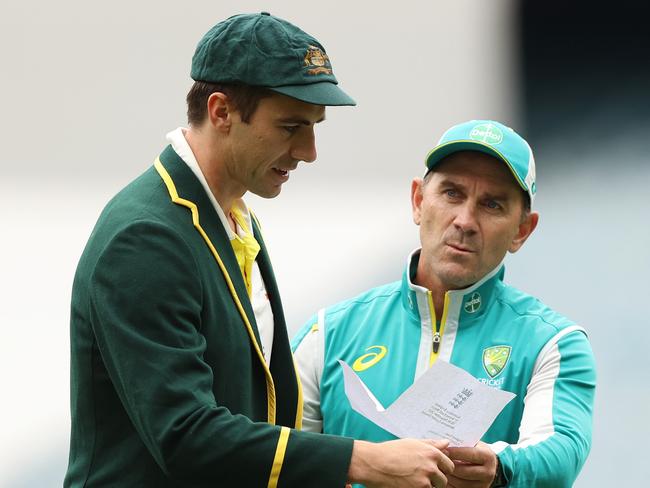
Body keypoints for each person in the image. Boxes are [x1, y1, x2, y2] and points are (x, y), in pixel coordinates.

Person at [65, 12, 457, 488]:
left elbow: (263, 408)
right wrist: (361, 460)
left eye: (315, 126)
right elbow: (186, 436)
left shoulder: (233, 213)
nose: (310, 150)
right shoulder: (146, 238)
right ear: (221, 112)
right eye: (291, 127)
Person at [292, 120, 596, 487]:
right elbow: (279, 457)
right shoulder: (328, 334)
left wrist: (498, 468)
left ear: (522, 230)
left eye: (492, 204)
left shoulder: (552, 343)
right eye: (452, 193)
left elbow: (560, 450)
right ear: (418, 201)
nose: (465, 221)